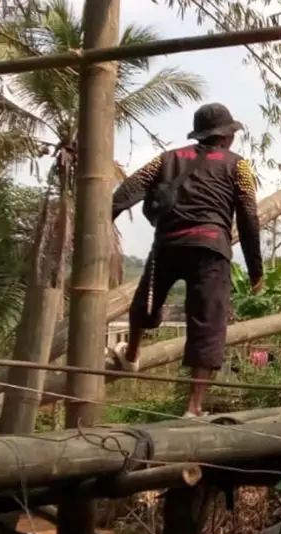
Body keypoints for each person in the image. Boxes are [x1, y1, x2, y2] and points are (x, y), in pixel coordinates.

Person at [110, 103, 262, 417]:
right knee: (207, 323)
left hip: (168, 244)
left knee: (146, 301)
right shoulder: (239, 167)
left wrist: (105, 220)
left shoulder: (167, 159)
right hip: (211, 249)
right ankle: (193, 407)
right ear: (226, 137)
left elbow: (129, 189)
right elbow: (248, 217)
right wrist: (255, 269)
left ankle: (132, 354)